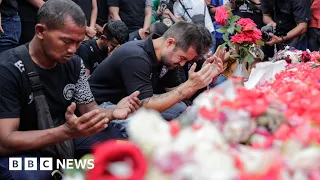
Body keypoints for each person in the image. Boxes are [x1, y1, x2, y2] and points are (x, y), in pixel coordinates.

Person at [0, 0, 140, 179]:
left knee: (119, 147)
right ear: (40, 31)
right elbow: (4, 142)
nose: (73, 49)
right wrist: (64, 132)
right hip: (20, 151)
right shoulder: (8, 69)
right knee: (33, 174)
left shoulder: (74, 64)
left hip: (62, 139)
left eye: (79, 42)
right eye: (67, 41)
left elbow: (89, 110)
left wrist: (114, 112)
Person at [89, 22, 223, 121]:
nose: (182, 64)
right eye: (182, 58)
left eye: (186, 60)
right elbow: (146, 105)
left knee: (181, 108)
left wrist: (204, 78)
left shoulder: (167, 58)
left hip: (130, 105)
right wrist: (190, 85)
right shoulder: (136, 56)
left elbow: (174, 93)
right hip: (101, 107)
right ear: (170, 43)